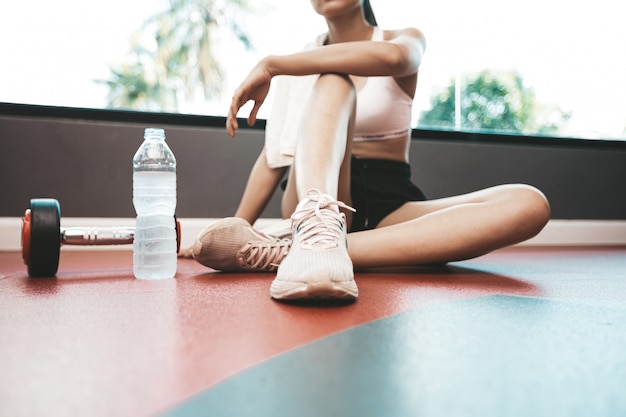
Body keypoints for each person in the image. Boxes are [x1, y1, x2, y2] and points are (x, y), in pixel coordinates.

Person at [190, 0, 551, 302]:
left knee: (529, 203)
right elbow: (273, 158)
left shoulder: (402, 39)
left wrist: (273, 65)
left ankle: (297, 251)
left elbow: (396, 59)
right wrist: (234, 227)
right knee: (334, 79)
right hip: (317, 193)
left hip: (391, 204)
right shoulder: (303, 61)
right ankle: (317, 230)